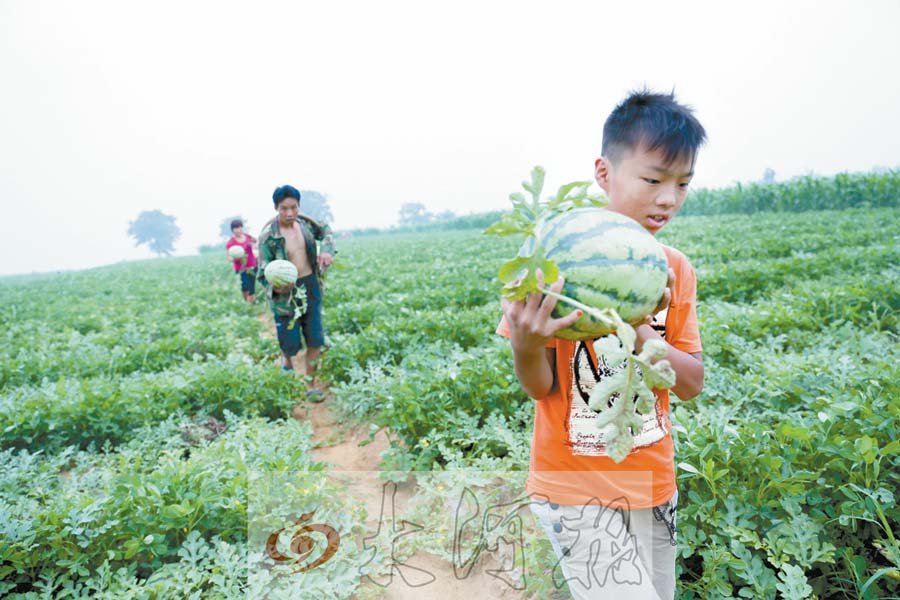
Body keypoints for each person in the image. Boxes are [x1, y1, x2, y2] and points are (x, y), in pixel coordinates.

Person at [498, 89, 706, 600]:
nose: (668, 198)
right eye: (654, 179)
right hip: (573, 489)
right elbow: (540, 387)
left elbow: (691, 384)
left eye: (682, 184)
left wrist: (636, 328)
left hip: (652, 484)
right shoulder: (549, 264)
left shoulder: (673, 269)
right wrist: (525, 346)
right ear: (604, 172)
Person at [258, 185, 336, 394]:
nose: (290, 213)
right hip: (284, 296)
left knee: (315, 339)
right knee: (290, 344)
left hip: (310, 286)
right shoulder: (268, 238)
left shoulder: (307, 226)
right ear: (276, 208)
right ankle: (288, 360)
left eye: (294, 207)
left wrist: (327, 252)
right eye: (284, 208)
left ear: (299, 206)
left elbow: (326, 232)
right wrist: (278, 286)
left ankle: (311, 385)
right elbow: (262, 274)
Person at [224, 219, 258, 303]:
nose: (238, 230)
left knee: (251, 286)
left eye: (240, 227)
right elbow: (229, 257)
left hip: (252, 264)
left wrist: (255, 248)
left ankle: (251, 304)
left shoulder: (247, 236)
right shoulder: (230, 243)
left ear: (242, 227)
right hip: (241, 268)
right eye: (236, 228)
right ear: (232, 230)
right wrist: (235, 257)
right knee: (245, 286)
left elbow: (256, 241)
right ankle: (246, 302)